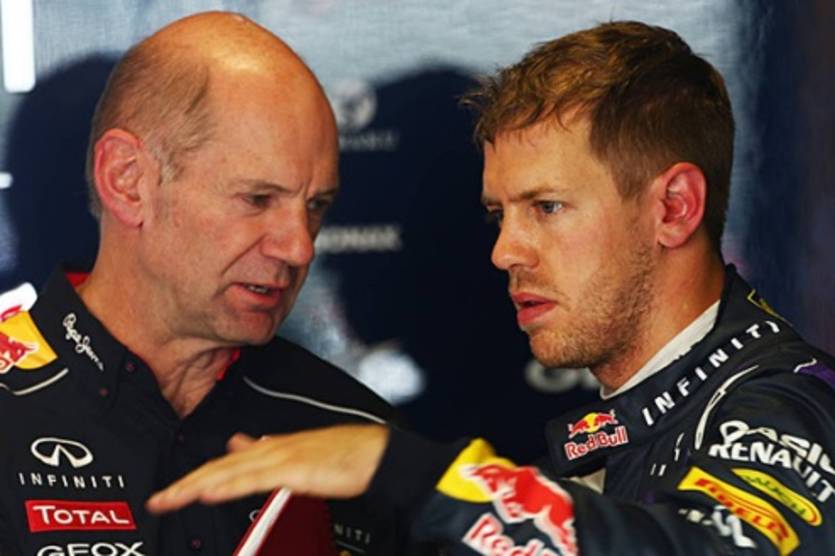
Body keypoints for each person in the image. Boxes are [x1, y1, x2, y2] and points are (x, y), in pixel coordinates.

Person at [148, 20, 835, 555]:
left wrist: (414, 475)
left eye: (547, 207)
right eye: (497, 215)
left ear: (674, 208)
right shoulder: (606, 441)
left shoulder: (785, 406)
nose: (505, 251)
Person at [0, 11, 427, 556]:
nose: (299, 248)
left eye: (316, 206)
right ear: (127, 181)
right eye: (257, 199)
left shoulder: (359, 436)